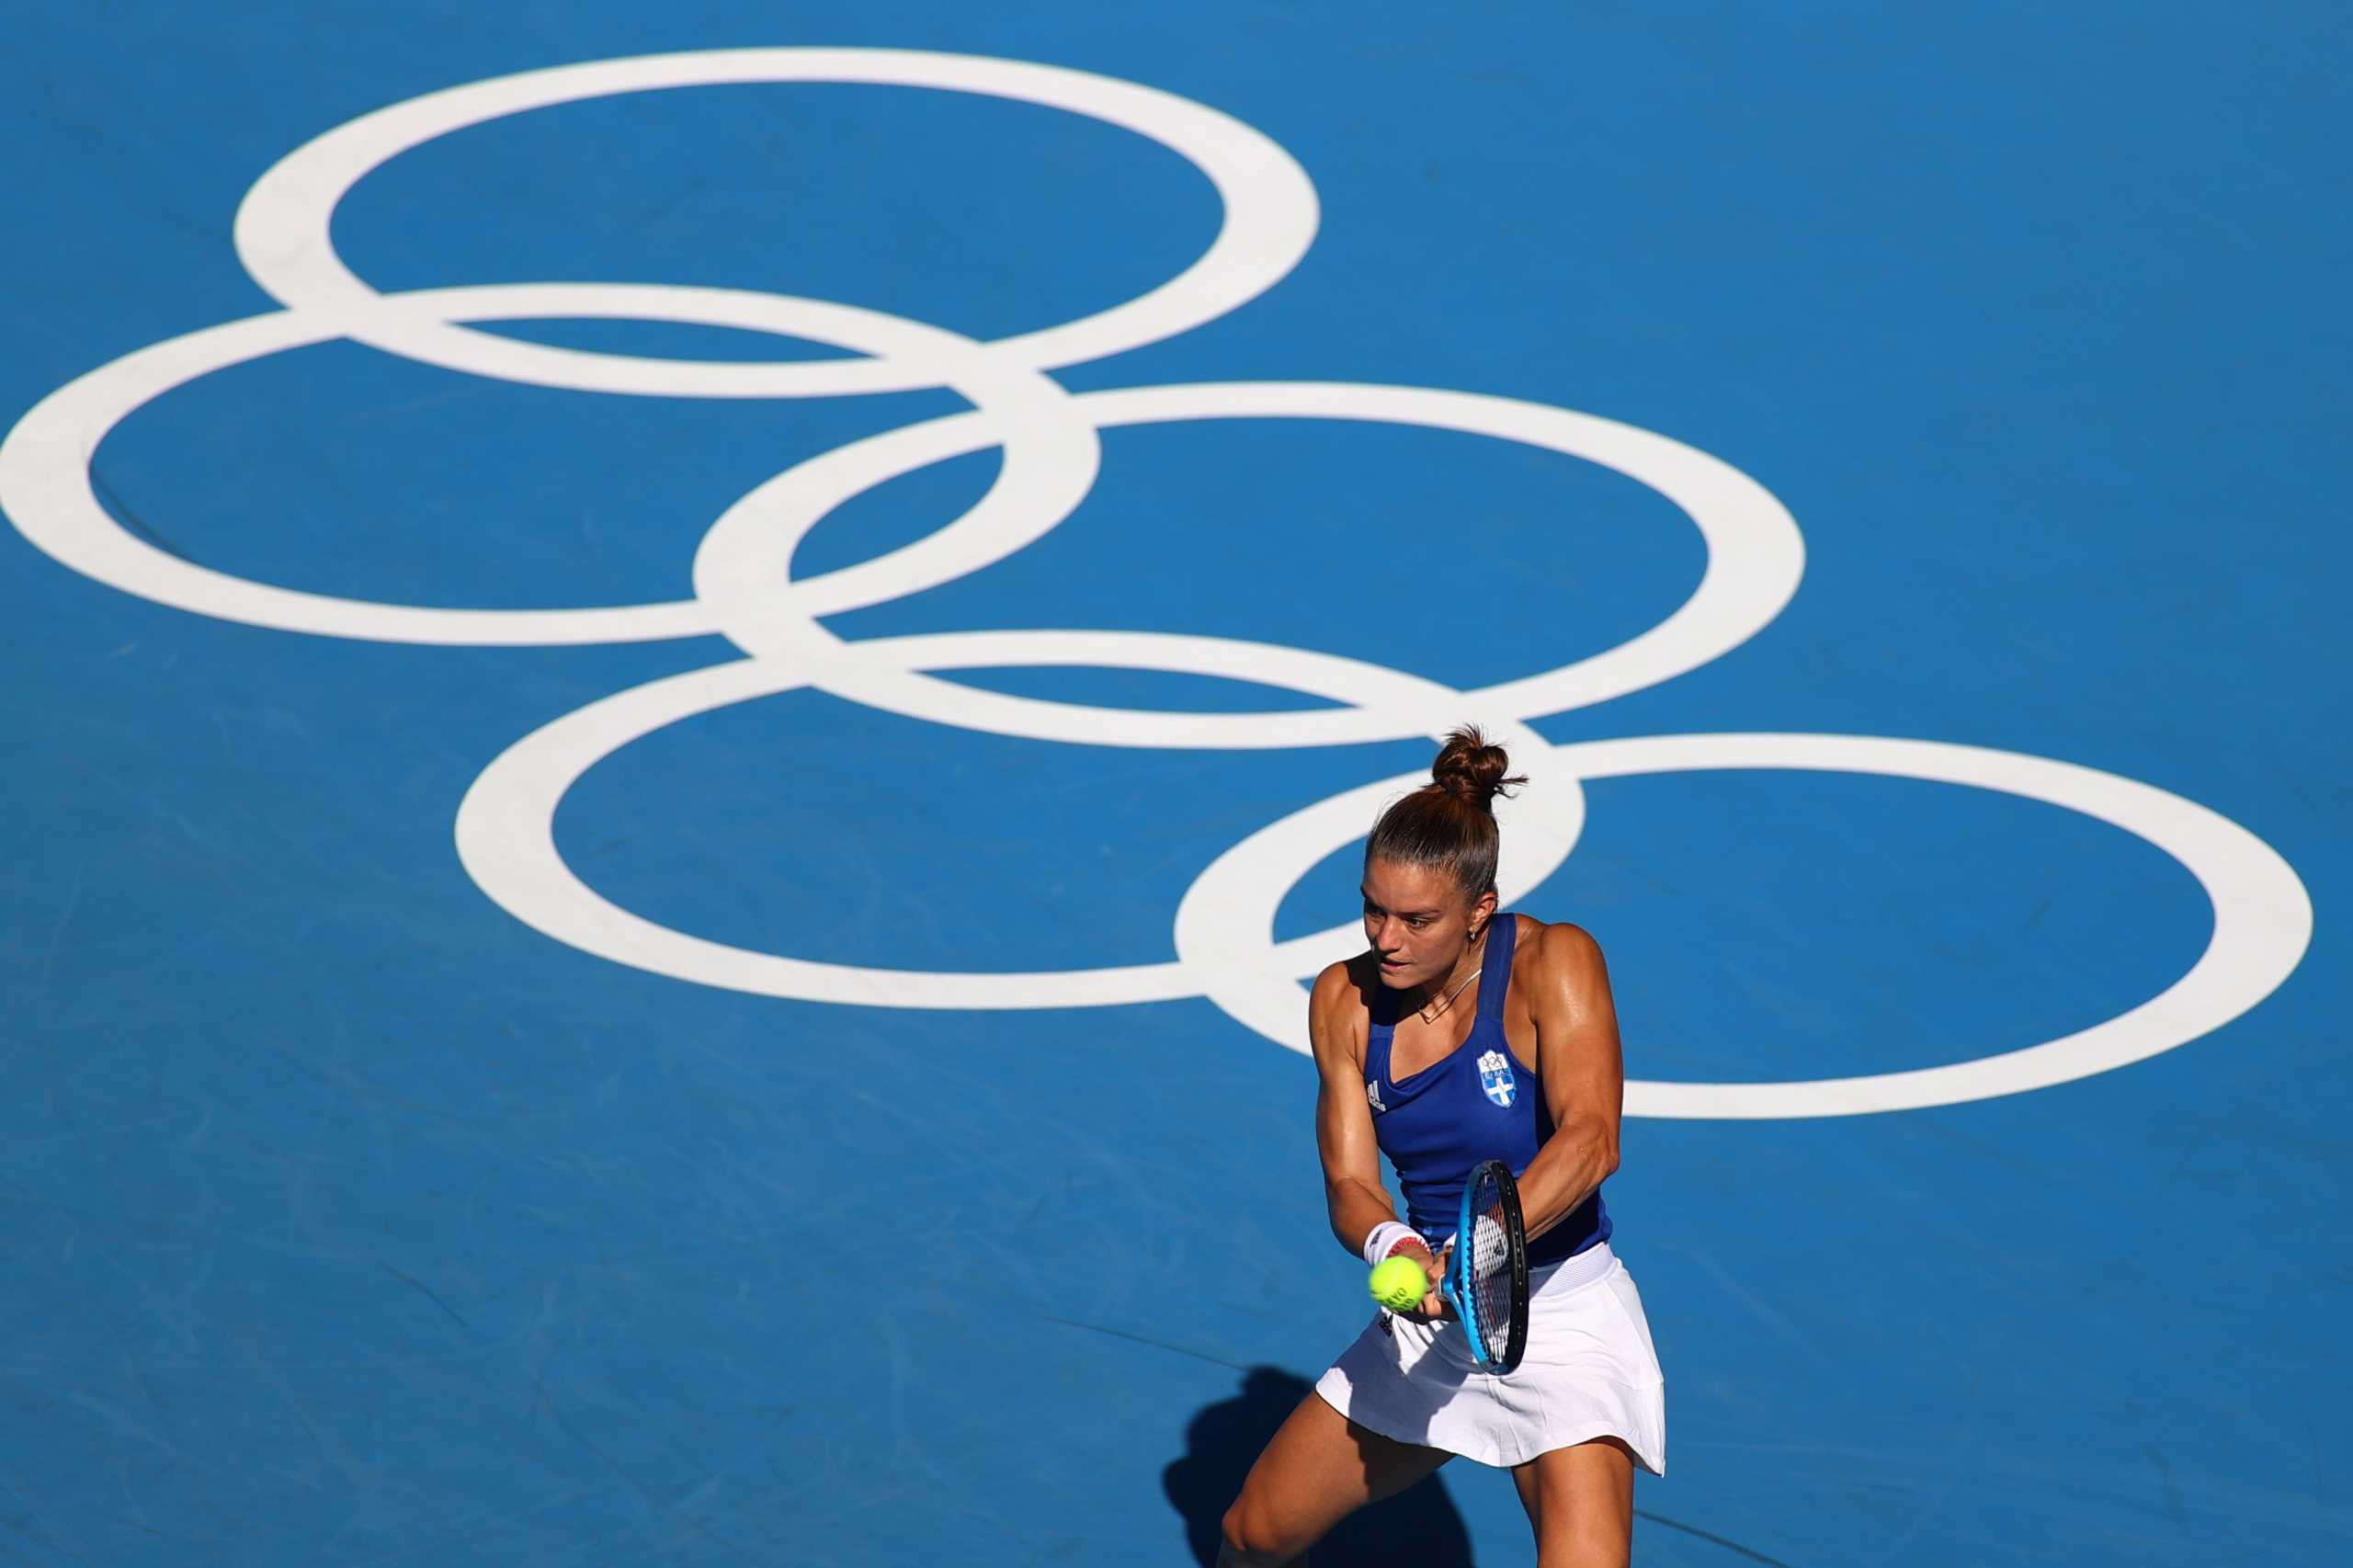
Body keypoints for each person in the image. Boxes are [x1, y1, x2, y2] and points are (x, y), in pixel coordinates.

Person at [1219, 727, 1665, 1567]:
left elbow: (1591, 1142)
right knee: (1254, 1535)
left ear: (1478, 913)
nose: (1386, 938)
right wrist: (1397, 1244)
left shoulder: (1554, 963)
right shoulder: (1343, 1001)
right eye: (1372, 909)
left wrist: (1472, 1258)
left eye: (1417, 920)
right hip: (1434, 1316)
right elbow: (1350, 1180)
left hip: (1560, 1314)